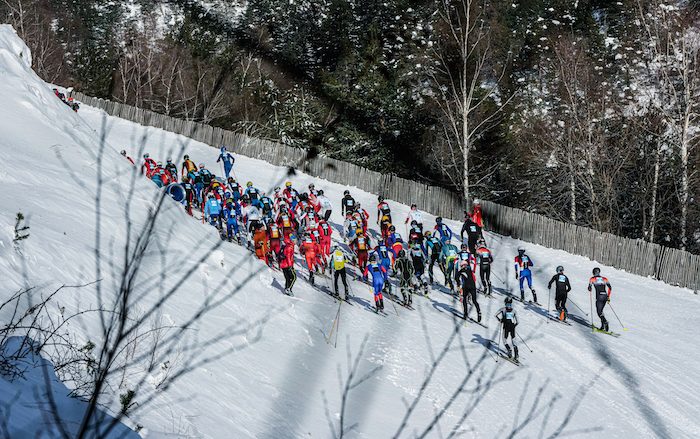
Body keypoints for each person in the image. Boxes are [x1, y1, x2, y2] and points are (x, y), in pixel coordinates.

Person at [456, 244, 480, 322]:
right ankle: (479, 312)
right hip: (473, 286)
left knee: (464, 300)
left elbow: (457, 277)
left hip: (466, 287)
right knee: (474, 300)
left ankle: (465, 314)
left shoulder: (461, 270)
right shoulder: (469, 269)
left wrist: (458, 284)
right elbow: (473, 263)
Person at [588, 267, 612, 332]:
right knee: (601, 311)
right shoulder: (604, 279)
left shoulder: (592, 279)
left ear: (593, 273)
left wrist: (590, 288)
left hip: (599, 297)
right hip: (605, 296)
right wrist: (608, 297)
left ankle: (605, 322)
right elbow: (610, 287)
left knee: (599, 312)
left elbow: (589, 287)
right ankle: (602, 326)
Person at [496, 297, 519, 361]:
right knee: (513, 340)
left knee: (504, 339)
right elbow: (518, 322)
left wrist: (500, 320)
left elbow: (495, 315)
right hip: (512, 327)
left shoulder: (502, 309)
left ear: (505, 303)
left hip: (505, 326)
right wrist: (514, 325)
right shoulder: (514, 311)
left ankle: (509, 350)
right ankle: (516, 354)